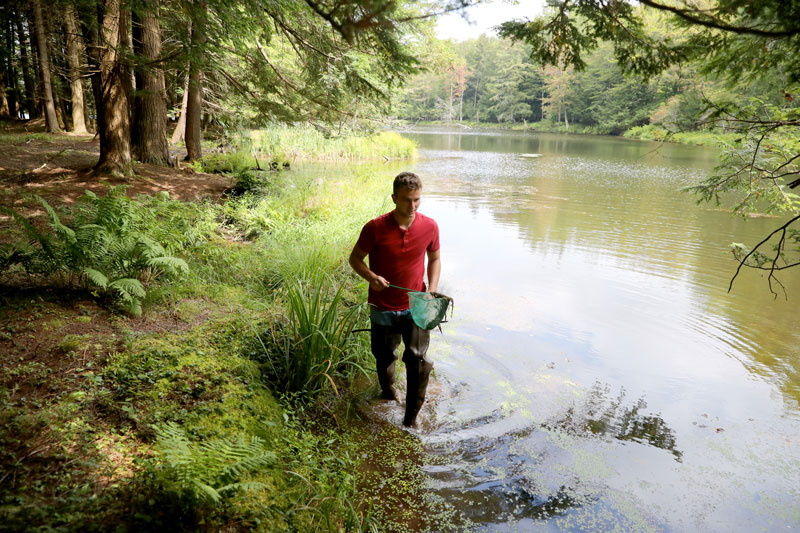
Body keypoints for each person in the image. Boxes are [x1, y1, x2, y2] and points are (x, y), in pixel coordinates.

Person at [349, 171, 441, 427]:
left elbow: (434, 258)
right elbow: (354, 259)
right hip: (383, 306)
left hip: (417, 305)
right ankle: (389, 392)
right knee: (384, 356)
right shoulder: (374, 228)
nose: (412, 206)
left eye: (417, 200)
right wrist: (371, 277)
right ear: (394, 198)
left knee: (418, 360)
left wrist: (431, 290)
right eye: (406, 200)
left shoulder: (430, 226)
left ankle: (411, 417)